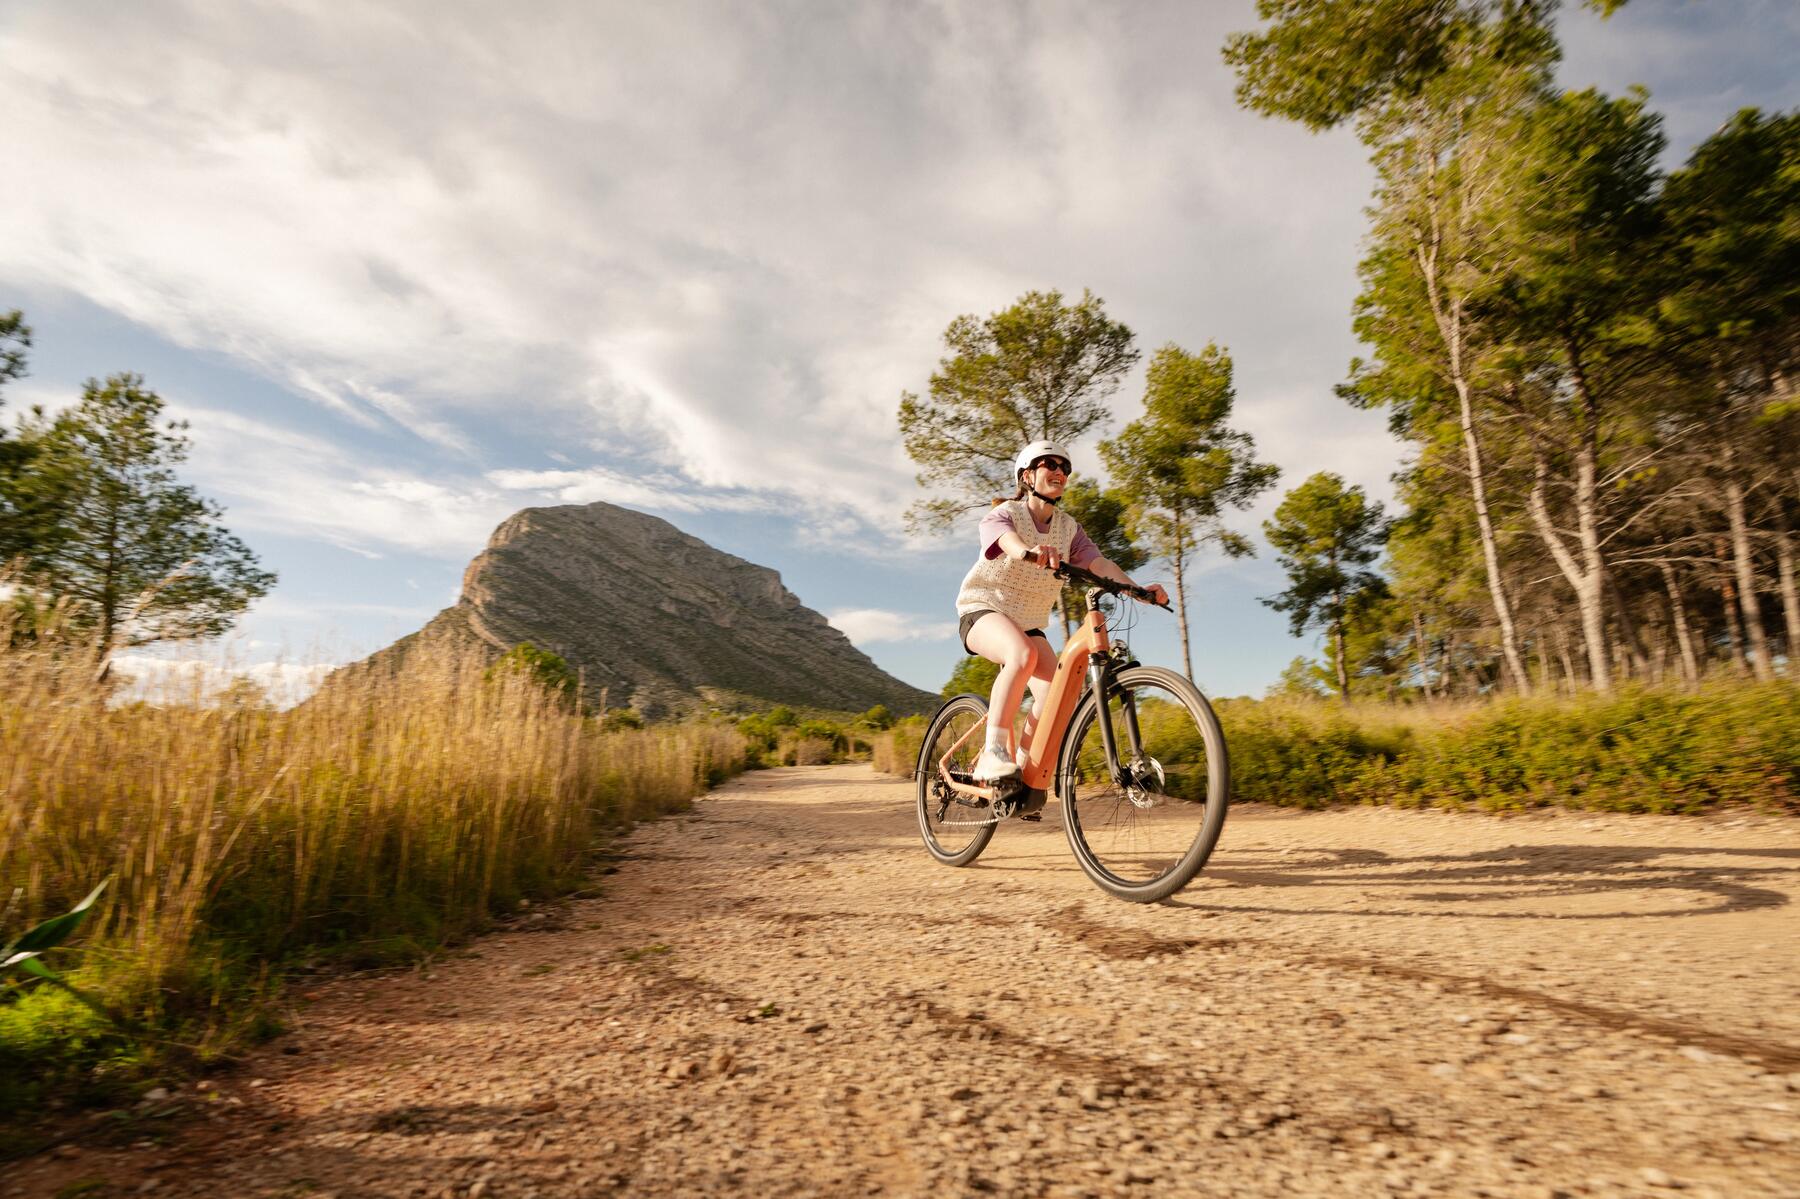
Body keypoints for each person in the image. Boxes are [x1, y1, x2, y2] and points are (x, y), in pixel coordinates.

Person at [954, 440, 1168, 782]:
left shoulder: (1069, 529)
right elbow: (1006, 541)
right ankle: (992, 753)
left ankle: (1023, 770)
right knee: (1021, 654)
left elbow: (1099, 563)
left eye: (1064, 468)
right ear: (1027, 476)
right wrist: (1027, 550)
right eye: (1049, 465)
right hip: (983, 608)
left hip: (1028, 622)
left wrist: (1139, 590)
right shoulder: (1005, 513)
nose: (1059, 472)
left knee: (1061, 692)